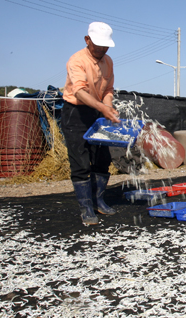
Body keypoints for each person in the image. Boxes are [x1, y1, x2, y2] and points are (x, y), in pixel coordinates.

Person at [62, 22, 120, 225]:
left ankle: (99, 201)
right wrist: (103, 109)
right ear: (87, 40)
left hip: (97, 112)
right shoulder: (77, 60)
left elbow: (108, 89)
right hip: (76, 113)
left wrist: (108, 107)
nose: (102, 50)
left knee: (102, 158)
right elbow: (79, 91)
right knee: (80, 160)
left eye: (106, 46)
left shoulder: (108, 61)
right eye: (99, 45)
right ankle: (86, 208)